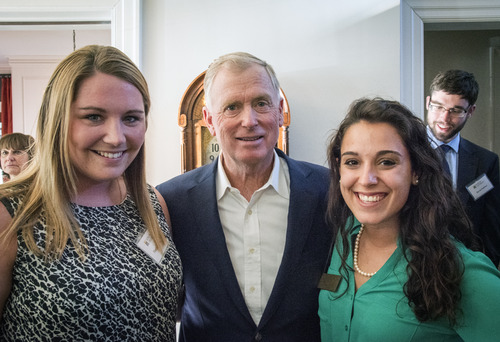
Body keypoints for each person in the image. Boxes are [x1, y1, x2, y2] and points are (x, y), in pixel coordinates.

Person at [0, 45, 182, 341]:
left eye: (131, 118)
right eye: (94, 117)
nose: (116, 137)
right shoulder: (12, 212)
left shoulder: (151, 203)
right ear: (56, 121)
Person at [156, 52, 332, 341]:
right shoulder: (171, 201)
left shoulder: (327, 191)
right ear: (210, 120)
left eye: (261, 103)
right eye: (232, 107)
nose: (249, 121)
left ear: (279, 111)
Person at [319, 98, 500, 341]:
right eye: (353, 162)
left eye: (387, 162)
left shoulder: (461, 270)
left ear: (415, 171)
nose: (367, 179)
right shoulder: (341, 238)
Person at [426, 69, 500, 266]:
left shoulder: (487, 162)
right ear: (427, 103)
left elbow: (491, 230)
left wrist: (485, 269)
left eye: (456, 110)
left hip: (466, 267)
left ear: (471, 111)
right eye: (438, 106)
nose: (444, 118)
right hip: (409, 267)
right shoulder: (403, 153)